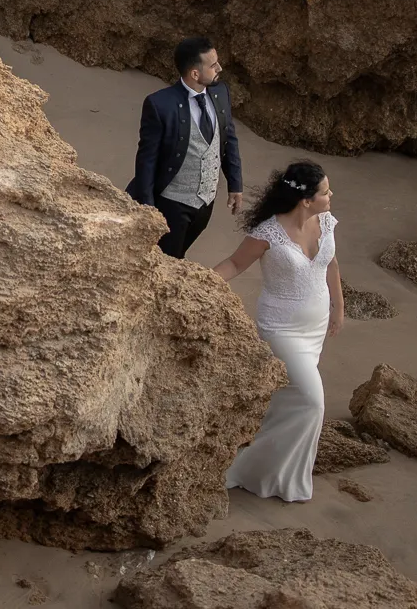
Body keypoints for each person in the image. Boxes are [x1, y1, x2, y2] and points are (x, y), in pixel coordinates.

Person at [212, 161, 344, 502]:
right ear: (305, 200)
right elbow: (235, 264)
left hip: (314, 329)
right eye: (325, 191)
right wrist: (198, 281)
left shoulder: (326, 222)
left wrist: (339, 307)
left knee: (289, 403)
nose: (331, 196)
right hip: (281, 329)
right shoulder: (268, 232)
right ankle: (247, 471)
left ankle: (274, 473)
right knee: (312, 403)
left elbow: (331, 263)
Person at [128, 36, 243, 258]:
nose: (219, 68)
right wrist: (148, 208)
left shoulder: (221, 92)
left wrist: (235, 184)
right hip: (172, 203)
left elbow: (229, 138)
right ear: (194, 74)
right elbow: (146, 160)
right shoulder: (160, 104)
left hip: (205, 203)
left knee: (179, 255)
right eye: (213, 65)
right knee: (166, 259)